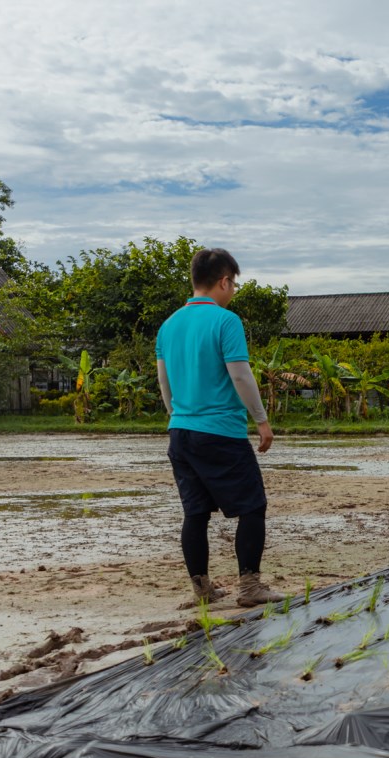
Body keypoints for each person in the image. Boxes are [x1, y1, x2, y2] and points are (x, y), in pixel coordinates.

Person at [156, 248, 283, 607]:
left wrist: (176, 416)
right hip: (221, 432)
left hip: (180, 432)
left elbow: (164, 382)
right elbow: (240, 375)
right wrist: (261, 420)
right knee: (252, 506)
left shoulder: (168, 325)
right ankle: (250, 587)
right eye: (235, 284)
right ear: (224, 281)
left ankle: (202, 589)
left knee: (195, 512)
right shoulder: (227, 322)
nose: (234, 291)